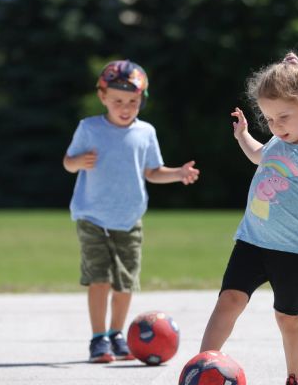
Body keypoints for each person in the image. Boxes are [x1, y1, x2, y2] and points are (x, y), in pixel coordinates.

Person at [198, 52, 298, 385]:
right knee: (228, 301)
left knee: (288, 319)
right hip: (251, 241)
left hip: (291, 251)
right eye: (269, 118)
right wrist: (244, 135)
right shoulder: (278, 141)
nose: (276, 126)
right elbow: (260, 155)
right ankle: (201, 367)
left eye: (284, 117)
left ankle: (295, 382)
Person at [63, 59, 199, 363]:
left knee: (125, 282)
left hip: (129, 218)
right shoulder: (89, 128)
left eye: (133, 102)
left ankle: (116, 334)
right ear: (103, 97)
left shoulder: (145, 132)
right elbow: (67, 162)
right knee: (99, 278)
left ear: (142, 100)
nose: (125, 107)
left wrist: (177, 173)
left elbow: (152, 171)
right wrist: (78, 161)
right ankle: (98, 339)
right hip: (92, 216)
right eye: (118, 101)